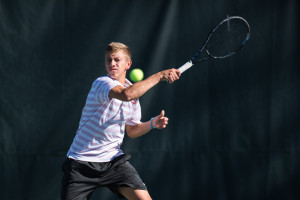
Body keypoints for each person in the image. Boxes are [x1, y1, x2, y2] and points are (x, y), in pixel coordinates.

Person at [61, 42, 181, 200]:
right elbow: (127, 94)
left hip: (113, 162)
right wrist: (159, 76)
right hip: (81, 163)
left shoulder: (133, 95)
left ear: (128, 64)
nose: (112, 64)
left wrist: (152, 123)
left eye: (117, 60)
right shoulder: (102, 83)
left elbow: (132, 131)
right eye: (108, 60)